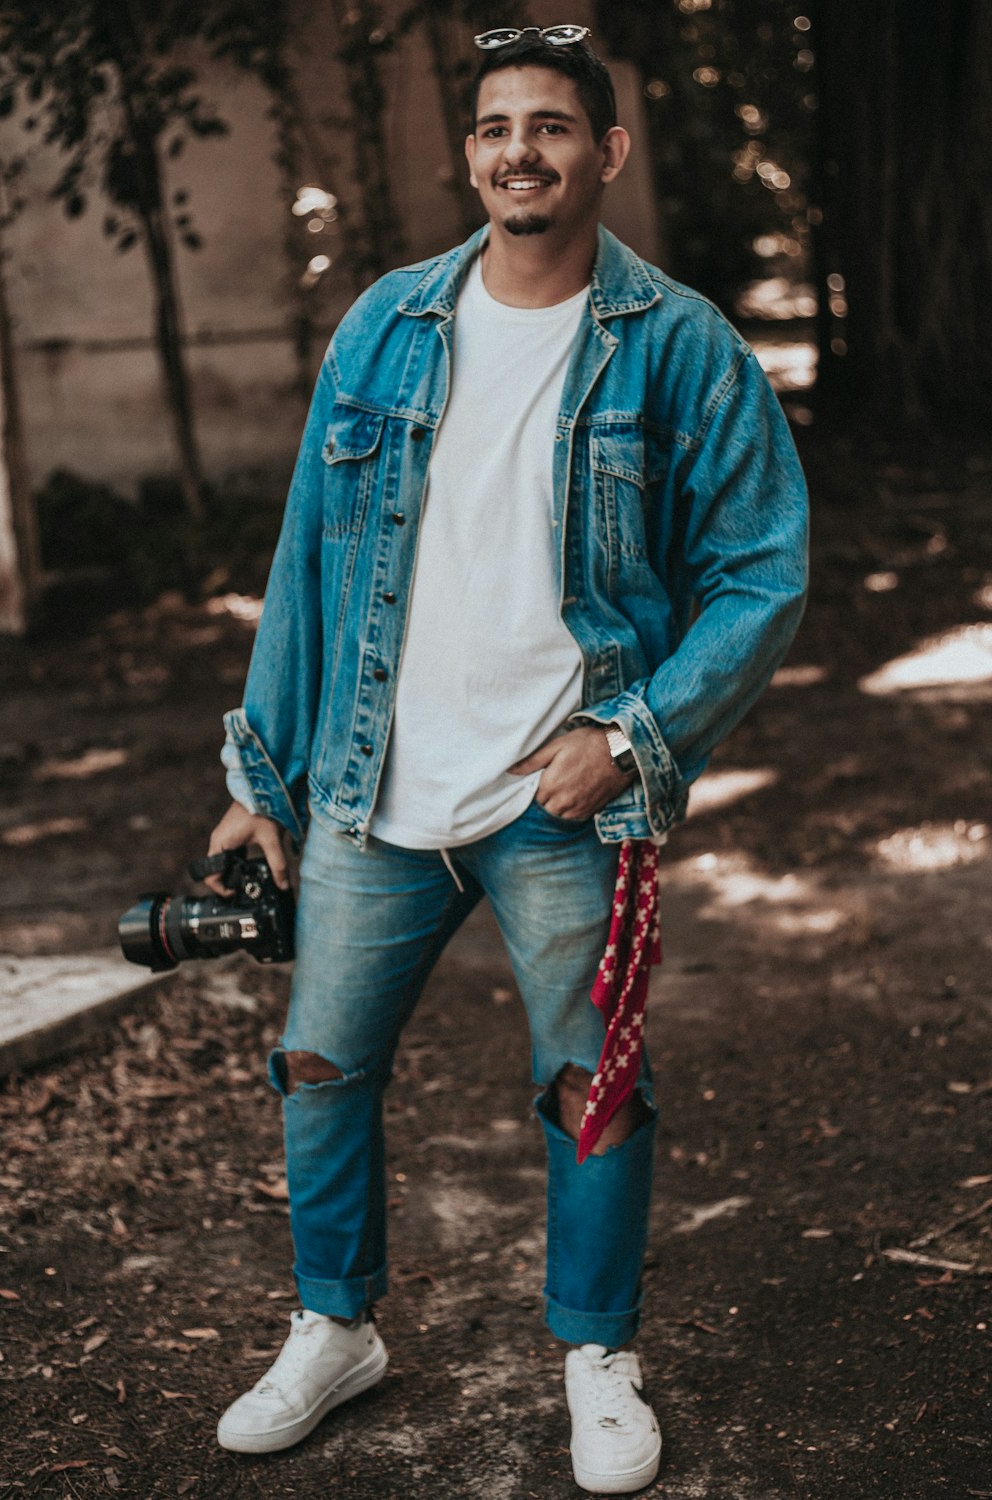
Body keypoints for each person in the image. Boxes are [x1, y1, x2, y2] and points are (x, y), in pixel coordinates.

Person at [206, 24, 808, 1495]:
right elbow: (309, 565)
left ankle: (598, 1360)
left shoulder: (678, 345)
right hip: (373, 789)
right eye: (493, 127)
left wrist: (632, 737)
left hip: (561, 802)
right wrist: (255, 778)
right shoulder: (385, 327)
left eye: (550, 125)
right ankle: (335, 1327)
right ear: (466, 152)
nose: (517, 150)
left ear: (605, 153)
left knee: (588, 1086)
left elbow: (762, 573)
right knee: (319, 1067)